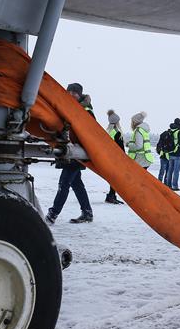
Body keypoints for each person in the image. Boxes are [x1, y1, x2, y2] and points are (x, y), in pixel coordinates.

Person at [46, 83, 94, 224]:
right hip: (70, 152)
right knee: (76, 183)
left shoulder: (85, 110)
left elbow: (89, 133)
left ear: (80, 95)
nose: (72, 95)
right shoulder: (67, 108)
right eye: (70, 92)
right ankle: (87, 213)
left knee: (64, 183)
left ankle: (52, 214)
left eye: (75, 93)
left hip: (75, 153)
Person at [104, 109, 125, 204]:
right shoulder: (117, 133)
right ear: (116, 122)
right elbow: (121, 149)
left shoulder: (108, 132)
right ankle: (111, 196)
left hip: (109, 157)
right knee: (116, 178)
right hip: (116, 159)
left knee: (113, 177)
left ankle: (111, 195)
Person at [164, 117, 180, 190]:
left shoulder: (169, 131)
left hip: (170, 153)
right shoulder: (179, 132)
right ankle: (175, 186)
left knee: (170, 170)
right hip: (178, 153)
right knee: (176, 171)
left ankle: (168, 185)